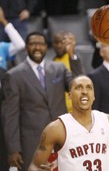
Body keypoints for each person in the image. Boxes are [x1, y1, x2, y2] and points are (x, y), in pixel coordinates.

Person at [28, 75, 109, 171]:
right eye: (79, 87)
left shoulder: (107, 121)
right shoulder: (56, 129)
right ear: (69, 95)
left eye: (89, 87)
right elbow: (34, 166)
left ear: (94, 96)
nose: (84, 91)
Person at [1, 32, 83, 171]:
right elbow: (11, 115)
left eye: (41, 44)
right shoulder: (14, 75)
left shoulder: (59, 68)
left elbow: (79, 88)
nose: (37, 47)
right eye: (33, 44)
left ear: (46, 47)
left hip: (62, 139)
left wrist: (72, 57)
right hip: (32, 144)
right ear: (26, 47)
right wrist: (13, 149)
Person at [53, 31, 85, 112]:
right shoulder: (52, 63)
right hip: (60, 110)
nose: (59, 45)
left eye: (62, 42)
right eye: (56, 43)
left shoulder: (74, 59)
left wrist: (71, 54)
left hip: (76, 108)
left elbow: (81, 80)